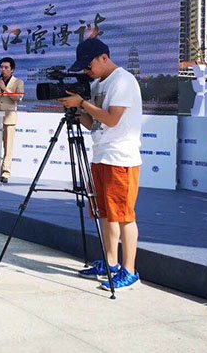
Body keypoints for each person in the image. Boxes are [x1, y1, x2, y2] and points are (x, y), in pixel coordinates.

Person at [59, 38, 143, 291]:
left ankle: (130, 271)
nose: (87, 71)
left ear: (104, 58)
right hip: (101, 155)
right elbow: (94, 123)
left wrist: (82, 104)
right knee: (105, 213)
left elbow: (112, 119)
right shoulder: (97, 84)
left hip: (121, 158)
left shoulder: (123, 80)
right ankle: (110, 263)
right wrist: (76, 111)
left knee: (124, 216)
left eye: (89, 65)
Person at [0, 56, 24, 183]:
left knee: (8, 147)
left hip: (9, 118)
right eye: (1, 67)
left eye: (6, 67)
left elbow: (18, 97)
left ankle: (5, 173)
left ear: (12, 69)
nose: (3, 69)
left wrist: (5, 89)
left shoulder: (18, 82)